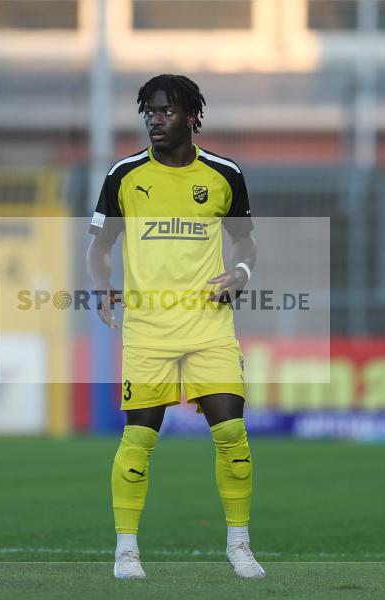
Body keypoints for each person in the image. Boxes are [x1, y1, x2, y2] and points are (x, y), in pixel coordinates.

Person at [86, 74, 263, 580]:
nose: (155, 119)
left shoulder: (224, 174)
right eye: (149, 111)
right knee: (139, 439)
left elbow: (246, 242)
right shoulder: (124, 176)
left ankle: (239, 545)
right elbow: (98, 248)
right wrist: (101, 288)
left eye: (165, 111)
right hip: (148, 331)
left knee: (232, 432)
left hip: (209, 326)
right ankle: (126, 552)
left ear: (190, 115)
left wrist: (241, 272)